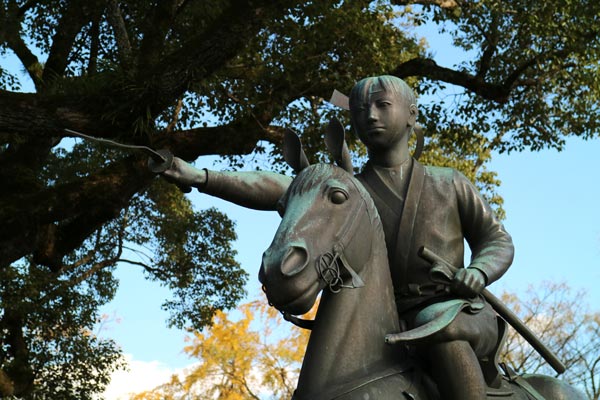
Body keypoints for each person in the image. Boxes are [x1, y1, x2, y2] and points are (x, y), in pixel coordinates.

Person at [160, 75, 514, 399]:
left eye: (382, 106)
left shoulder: (448, 182)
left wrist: (479, 271)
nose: (370, 115)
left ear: (411, 115)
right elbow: (279, 187)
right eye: (360, 110)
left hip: (457, 311)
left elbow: (496, 240)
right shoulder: (350, 191)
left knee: (438, 329)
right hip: (386, 323)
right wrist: (201, 177)